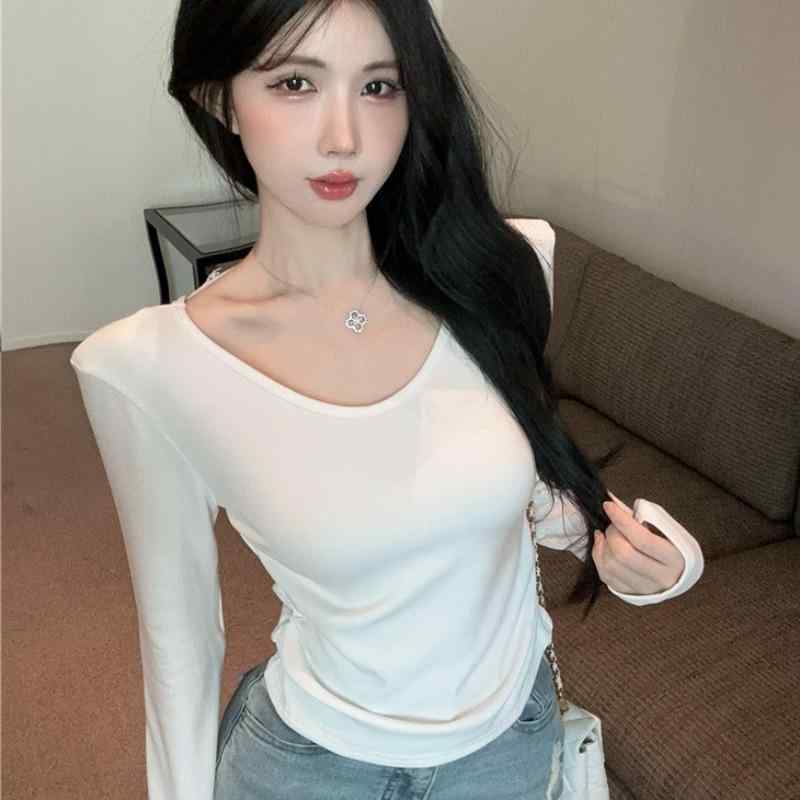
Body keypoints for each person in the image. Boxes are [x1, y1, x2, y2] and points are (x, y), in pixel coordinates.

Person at [69, 1, 704, 798]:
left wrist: (661, 559)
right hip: (309, 767)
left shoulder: (501, 271)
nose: (344, 137)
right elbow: (179, 643)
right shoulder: (149, 366)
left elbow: (528, 490)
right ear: (218, 98)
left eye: (379, 86)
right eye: (295, 82)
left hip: (508, 749)